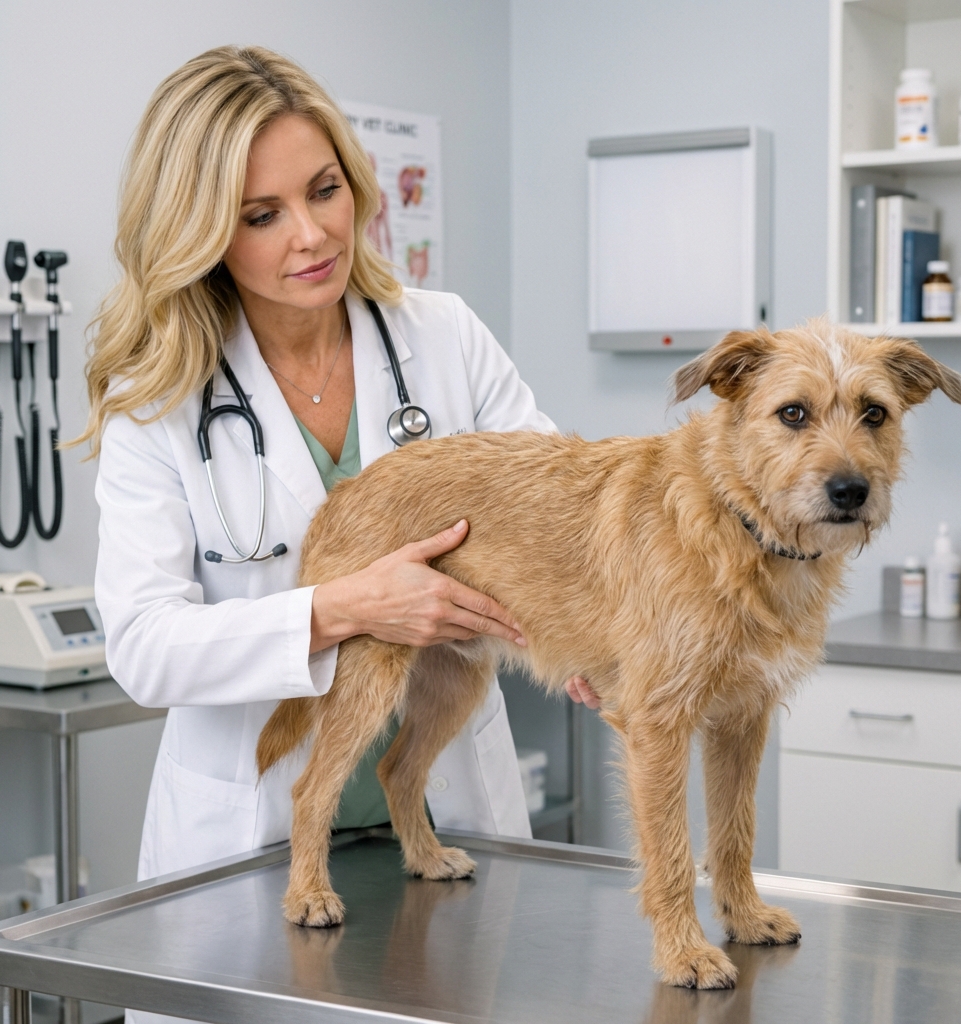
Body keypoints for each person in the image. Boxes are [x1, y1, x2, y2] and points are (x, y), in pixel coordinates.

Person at [85, 42, 601, 968]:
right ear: (199, 229)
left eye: (325, 191)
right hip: (247, 846)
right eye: (261, 214)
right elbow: (143, 649)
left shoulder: (442, 336)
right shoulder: (156, 401)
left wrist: (594, 637)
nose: (313, 235)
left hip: (451, 818)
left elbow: (560, 512)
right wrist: (343, 609)